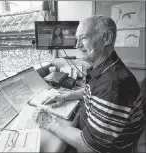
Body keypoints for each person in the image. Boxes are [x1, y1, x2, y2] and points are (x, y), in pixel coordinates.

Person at [32, 15, 144, 153]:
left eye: (83, 38)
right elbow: (92, 90)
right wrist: (67, 96)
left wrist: (49, 123)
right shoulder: (106, 69)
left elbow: (90, 147)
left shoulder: (113, 85)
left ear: (107, 38)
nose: (77, 45)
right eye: (77, 39)